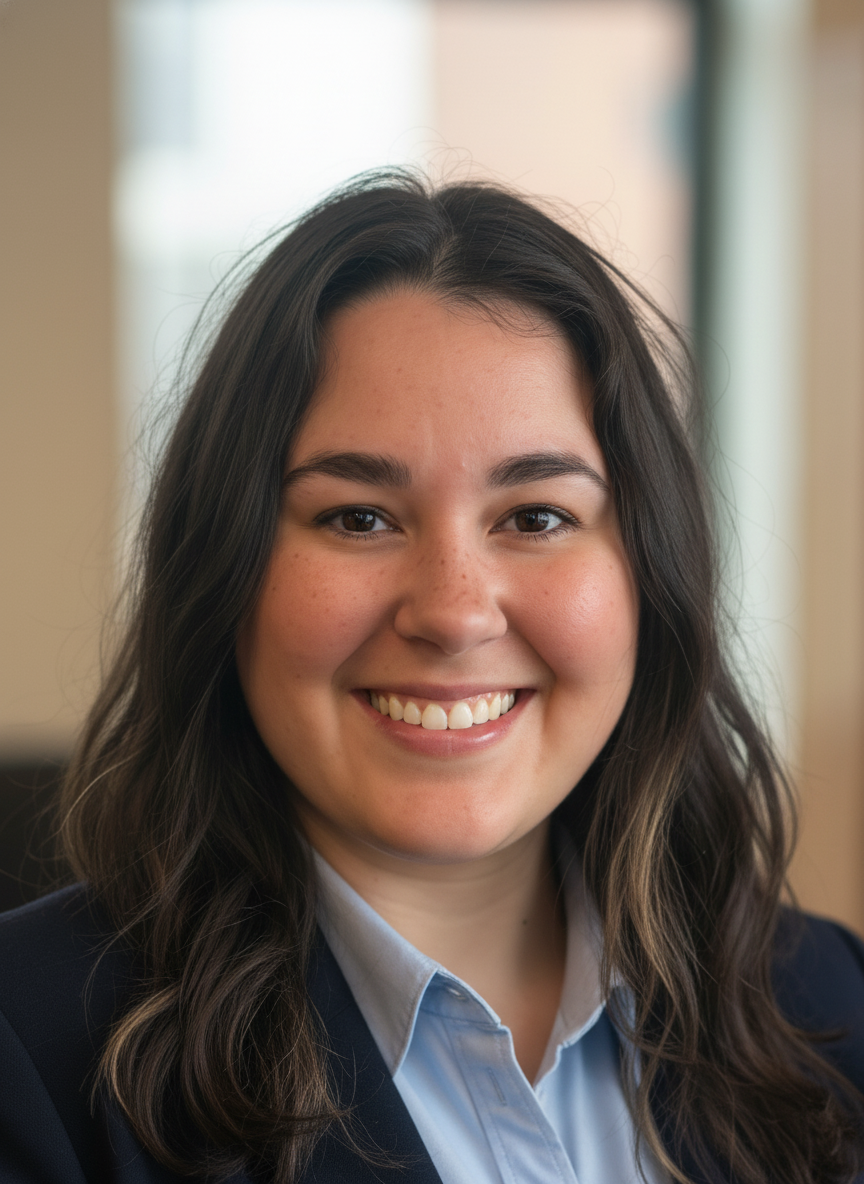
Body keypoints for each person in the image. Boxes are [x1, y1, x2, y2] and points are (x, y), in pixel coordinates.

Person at [1, 173, 863, 1184]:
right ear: (223, 570)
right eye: (356, 516)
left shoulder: (829, 1003)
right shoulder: (32, 1049)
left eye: (536, 516)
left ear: (648, 575)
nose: (453, 612)